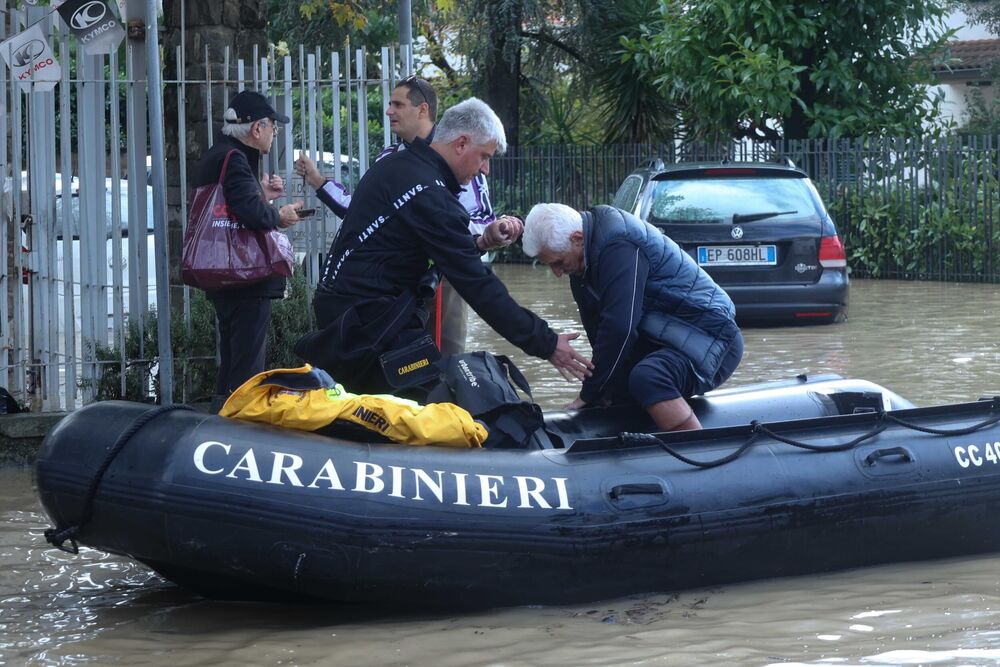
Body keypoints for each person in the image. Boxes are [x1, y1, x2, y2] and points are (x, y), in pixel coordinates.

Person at [297, 98, 592, 396]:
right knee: (438, 406)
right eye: (484, 156)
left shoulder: (396, 167)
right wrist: (547, 343)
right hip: (368, 326)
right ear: (461, 143)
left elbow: (408, 246)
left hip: (348, 312)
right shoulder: (430, 194)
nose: (486, 169)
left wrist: (480, 242)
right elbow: (477, 284)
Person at [294, 76, 520, 355]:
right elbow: (362, 213)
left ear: (423, 110)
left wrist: (464, 234)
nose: (388, 111)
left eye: (398, 105)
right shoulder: (389, 156)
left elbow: (484, 220)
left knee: (446, 356)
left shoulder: (462, 157)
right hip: (396, 283)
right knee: (400, 362)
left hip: (445, 273)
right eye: (390, 104)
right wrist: (318, 181)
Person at [521, 203, 744, 432]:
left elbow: (620, 328)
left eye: (558, 263)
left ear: (577, 238)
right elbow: (601, 335)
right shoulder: (581, 260)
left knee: (648, 377)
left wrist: (589, 393)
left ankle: (696, 447)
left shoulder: (618, 245)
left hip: (711, 338)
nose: (557, 273)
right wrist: (602, 390)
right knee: (617, 388)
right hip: (663, 341)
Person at [192, 90, 303, 412]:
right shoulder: (236, 159)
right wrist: (279, 216)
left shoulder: (218, 155)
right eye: (273, 127)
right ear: (257, 128)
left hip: (223, 272)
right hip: (246, 275)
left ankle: (220, 417)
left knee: (232, 359)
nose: (274, 133)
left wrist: (261, 193)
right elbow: (250, 213)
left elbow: (231, 205)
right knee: (246, 364)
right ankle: (239, 424)